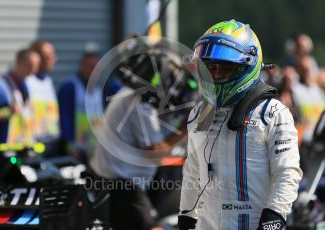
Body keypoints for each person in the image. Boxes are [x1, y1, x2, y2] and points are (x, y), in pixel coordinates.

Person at [178, 20, 303, 230]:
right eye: (210, 68)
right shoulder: (200, 113)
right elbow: (192, 171)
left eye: (225, 68)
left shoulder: (272, 113)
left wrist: (275, 214)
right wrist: (187, 213)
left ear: (247, 66)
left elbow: (287, 172)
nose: (215, 74)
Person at [89, 42, 189, 230]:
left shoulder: (129, 94)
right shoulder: (140, 103)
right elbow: (155, 151)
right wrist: (186, 128)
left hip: (106, 183)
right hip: (121, 190)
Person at [0, 49, 40, 183]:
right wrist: (6, 112)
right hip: (4, 156)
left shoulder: (26, 85)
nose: (34, 69)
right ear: (18, 62)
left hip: (22, 154)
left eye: (36, 65)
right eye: (30, 64)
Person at [58, 52, 100, 163]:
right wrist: (69, 144)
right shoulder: (71, 86)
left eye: (96, 67)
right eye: (90, 66)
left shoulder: (98, 87)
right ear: (82, 66)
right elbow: (64, 116)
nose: (93, 70)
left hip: (93, 147)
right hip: (77, 148)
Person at [27, 40, 60, 157]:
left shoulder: (48, 81)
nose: (54, 59)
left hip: (52, 145)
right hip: (34, 147)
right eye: (49, 56)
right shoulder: (27, 82)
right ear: (38, 58)